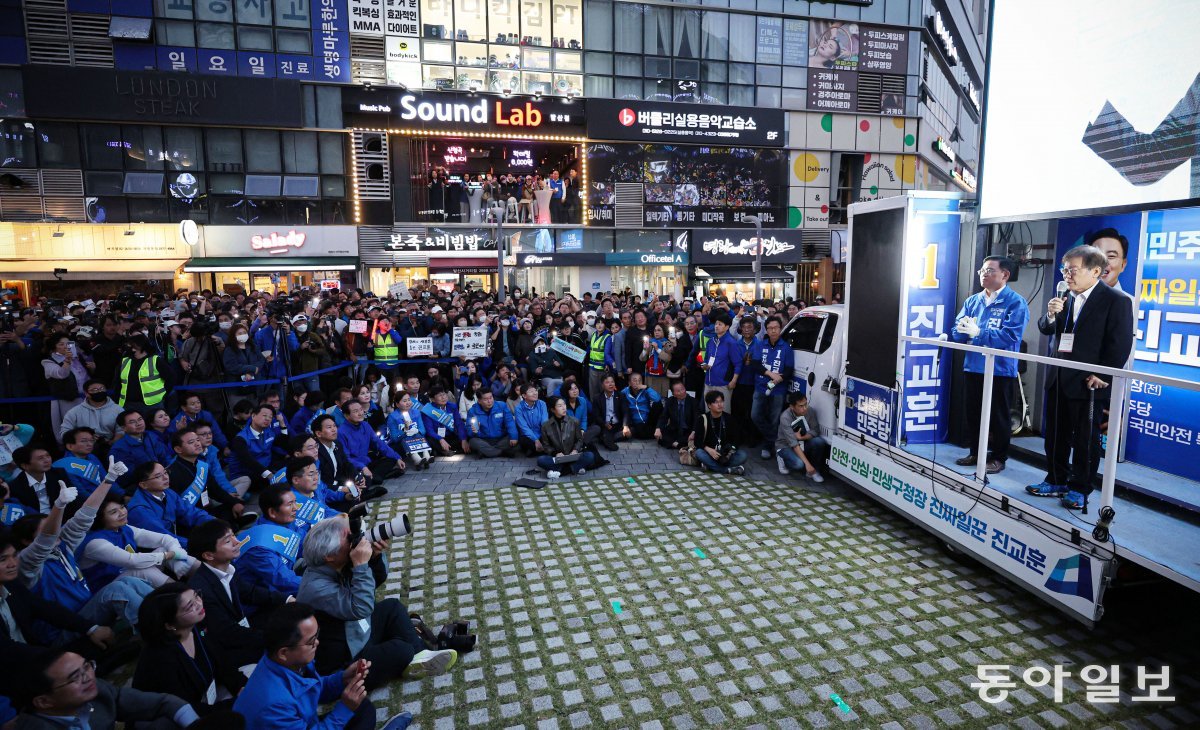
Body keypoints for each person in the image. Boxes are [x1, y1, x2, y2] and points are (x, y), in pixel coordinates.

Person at [1027, 245, 1134, 511]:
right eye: (1065, 269)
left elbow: (1119, 344)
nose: (1067, 275)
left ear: (1096, 271)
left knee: (1086, 439)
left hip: (1089, 381)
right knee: (1055, 433)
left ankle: (1080, 488)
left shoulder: (1116, 301)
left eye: (1073, 269)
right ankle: (1055, 479)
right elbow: (1046, 329)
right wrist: (1051, 313)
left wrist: (1103, 373)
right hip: (1059, 375)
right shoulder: (1065, 297)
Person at [298, 517, 457, 689]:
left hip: (355, 633)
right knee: (402, 650)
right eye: (349, 539)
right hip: (343, 661)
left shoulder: (333, 565)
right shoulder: (316, 588)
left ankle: (422, 655)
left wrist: (374, 557)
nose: (356, 542)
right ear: (329, 556)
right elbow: (362, 607)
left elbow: (375, 580)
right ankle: (411, 656)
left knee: (392, 607)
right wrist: (360, 566)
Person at [233, 603, 409, 730]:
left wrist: (342, 679)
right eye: (310, 641)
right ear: (284, 652)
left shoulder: (284, 663)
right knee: (353, 712)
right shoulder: (273, 705)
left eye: (317, 635)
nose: (317, 643)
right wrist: (345, 707)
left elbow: (312, 689)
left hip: (302, 723)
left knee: (362, 710)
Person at [948, 256, 1030, 474]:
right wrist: (962, 331)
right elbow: (957, 331)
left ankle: (999, 457)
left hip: (1000, 369)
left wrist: (979, 333)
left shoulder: (1015, 302)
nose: (984, 274)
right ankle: (976, 452)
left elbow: (1010, 336)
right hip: (974, 366)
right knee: (973, 412)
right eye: (982, 270)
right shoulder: (973, 301)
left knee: (999, 415)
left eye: (990, 270)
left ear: (1005, 275)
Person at [10, 649, 210, 730]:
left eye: (87, 666)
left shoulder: (98, 691)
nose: (88, 677)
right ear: (44, 702)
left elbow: (164, 702)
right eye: (76, 677)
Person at [0, 533, 116, 663]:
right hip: (15, 668)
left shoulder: (12, 585)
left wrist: (91, 629)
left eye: (14, 556)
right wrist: (52, 660)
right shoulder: (32, 571)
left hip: (36, 655)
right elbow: (7, 649)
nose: (12, 564)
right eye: (3, 559)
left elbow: (45, 609)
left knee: (96, 642)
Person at [132, 583, 243, 715]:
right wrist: (238, 703)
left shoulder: (197, 628)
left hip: (209, 701)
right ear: (169, 625)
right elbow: (183, 708)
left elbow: (222, 663)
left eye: (197, 596)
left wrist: (241, 687)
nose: (199, 604)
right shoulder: (161, 659)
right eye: (190, 606)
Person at [185, 519, 276, 671]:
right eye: (228, 541)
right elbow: (227, 633)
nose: (237, 542)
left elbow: (251, 592)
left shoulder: (227, 569)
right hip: (227, 653)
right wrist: (273, 637)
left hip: (241, 631)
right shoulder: (201, 590)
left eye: (234, 535)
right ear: (208, 555)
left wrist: (288, 599)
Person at [79, 493, 195, 590]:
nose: (122, 512)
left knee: (165, 549)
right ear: (99, 518)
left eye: (122, 507)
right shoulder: (94, 543)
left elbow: (165, 539)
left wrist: (178, 556)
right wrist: (172, 555)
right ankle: (183, 595)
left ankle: (210, 575)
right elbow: (133, 561)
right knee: (143, 570)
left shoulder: (124, 528)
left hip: (130, 576)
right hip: (108, 590)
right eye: (114, 512)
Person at [234, 483, 303, 601]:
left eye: (295, 502)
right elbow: (284, 581)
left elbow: (307, 543)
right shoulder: (259, 547)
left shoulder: (285, 521)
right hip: (263, 602)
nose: (296, 508)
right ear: (272, 512)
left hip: (287, 577)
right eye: (290, 504)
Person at [126, 460, 214, 548]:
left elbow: (189, 512)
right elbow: (162, 537)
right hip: (156, 552)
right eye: (158, 476)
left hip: (174, 543)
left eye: (165, 472)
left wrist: (215, 523)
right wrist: (196, 546)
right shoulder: (139, 509)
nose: (165, 478)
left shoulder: (168, 493)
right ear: (143, 485)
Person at [168, 428, 247, 523]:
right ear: (178, 449)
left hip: (206, 509)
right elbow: (179, 508)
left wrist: (234, 503)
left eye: (197, 440)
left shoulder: (201, 465)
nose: (197, 444)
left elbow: (215, 489)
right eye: (191, 442)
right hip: (191, 518)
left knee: (235, 504)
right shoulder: (172, 472)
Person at [748, 316, 793, 460]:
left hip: (778, 390)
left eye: (776, 328)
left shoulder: (786, 348)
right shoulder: (760, 345)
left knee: (774, 419)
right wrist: (770, 374)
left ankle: (768, 445)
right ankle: (775, 440)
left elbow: (789, 369)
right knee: (755, 416)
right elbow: (755, 364)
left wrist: (779, 377)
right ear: (766, 330)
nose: (773, 331)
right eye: (770, 328)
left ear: (781, 329)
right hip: (760, 387)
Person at [338, 400, 404, 484]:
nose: (360, 413)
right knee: (359, 477)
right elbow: (345, 458)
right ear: (346, 416)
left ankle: (376, 476)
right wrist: (362, 467)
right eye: (355, 411)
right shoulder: (341, 432)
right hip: (354, 466)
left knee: (391, 458)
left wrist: (397, 457)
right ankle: (378, 476)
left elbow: (379, 443)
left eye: (361, 409)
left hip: (367, 461)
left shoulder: (365, 425)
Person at [108, 410, 174, 490]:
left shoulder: (151, 436)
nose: (139, 423)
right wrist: (156, 477)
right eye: (132, 422)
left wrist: (168, 471)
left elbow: (165, 456)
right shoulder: (119, 449)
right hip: (141, 485)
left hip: (163, 476)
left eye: (140, 419)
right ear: (123, 428)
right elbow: (129, 475)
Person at [42, 333, 89, 442]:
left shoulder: (78, 358)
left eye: (68, 343)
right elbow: (61, 374)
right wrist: (67, 361)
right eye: (61, 344)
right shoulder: (48, 362)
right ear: (54, 347)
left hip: (85, 397)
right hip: (67, 400)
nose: (65, 346)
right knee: (71, 427)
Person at [55, 429, 127, 499]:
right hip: (87, 503)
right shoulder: (64, 465)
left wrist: (123, 495)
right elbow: (81, 493)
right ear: (70, 446)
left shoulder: (92, 457)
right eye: (83, 441)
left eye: (91, 440)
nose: (89, 444)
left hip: (105, 496)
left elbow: (106, 479)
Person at [228, 404, 284, 492]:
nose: (268, 419)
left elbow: (283, 442)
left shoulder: (268, 432)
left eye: (270, 417)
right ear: (253, 416)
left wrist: (283, 424)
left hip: (264, 468)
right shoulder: (240, 438)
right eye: (264, 415)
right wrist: (269, 474)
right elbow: (248, 461)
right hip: (246, 474)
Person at [537, 397, 596, 479]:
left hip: (573, 455)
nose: (564, 407)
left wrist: (575, 450)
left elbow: (579, 439)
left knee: (590, 456)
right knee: (541, 460)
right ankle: (574, 468)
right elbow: (546, 445)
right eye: (560, 406)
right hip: (558, 458)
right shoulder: (546, 425)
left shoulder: (574, 421)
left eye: (564, 404)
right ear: (553, 410)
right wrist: (555, 453)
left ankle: (560, 472)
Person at [689, 390, 747, 475]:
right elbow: (697, 441)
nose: (720, 405)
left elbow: (737, 439)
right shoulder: (702, 419)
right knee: (699, 453)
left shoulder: (729, 418)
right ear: (709, 405)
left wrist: (730, 452)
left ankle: (711, 466)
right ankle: (727, 470)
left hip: (725, 454)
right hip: (709, 453)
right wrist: (709, 449)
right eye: (716, 402)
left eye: (721, 401)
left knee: (743, 455)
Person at [775, 392, 827, 481]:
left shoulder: (810, 411)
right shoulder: (785, 417)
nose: (805, 408)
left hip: (803, 442)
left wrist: (802, 438)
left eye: (805, 404)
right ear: (792, 407)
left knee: (819, 441)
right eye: (801, 406)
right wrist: (807, 464)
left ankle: (814, 471)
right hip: (786, 445)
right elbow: (793, 443)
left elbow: (815, 430)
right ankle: (782, 458)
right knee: (799, 464)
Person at [59, 380, 123, 448]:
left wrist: (112, 443)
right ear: (86, 393)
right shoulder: (74, 412)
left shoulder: (118, 410)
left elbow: (122, 430)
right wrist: (85, 437)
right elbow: (65, 432)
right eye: (94, 390)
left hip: (111, 446)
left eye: (102, 388)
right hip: (82, 448)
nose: (99, 391)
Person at [113, 333, 169, 411]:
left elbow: (171, 378)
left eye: (133, 346)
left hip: (153, 405)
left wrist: (163, 395)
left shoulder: (156, 360)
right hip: (127, 404)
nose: (131, 349)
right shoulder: (125, 361)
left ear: (142, 346)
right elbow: (117, 383)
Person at [7, 447, 70, 514]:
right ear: (25, 465)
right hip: (36, 521)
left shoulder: (58, 473)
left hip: (62, 516)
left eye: (48, 455)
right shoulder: (15, 487)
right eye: (40, 458)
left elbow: (74, 499)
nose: (47, 460)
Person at [701, 314, 742, 410]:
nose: (716, 326)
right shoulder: (710, 341)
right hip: (708, 382)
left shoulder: (731, 342)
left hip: (723, 384)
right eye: (716, 324)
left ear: (727, 327)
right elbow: (706, 359)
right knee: (709, 410)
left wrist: (734, 380)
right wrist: (704, 365)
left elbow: (738, 363)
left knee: (723, 411)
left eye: (720, 324)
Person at [384, 393, 434, 470]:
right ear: (397, 404)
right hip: (401, 442)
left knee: (419, 434)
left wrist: (417, 430)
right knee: (406, 437)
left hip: (417, 438)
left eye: (409, 400)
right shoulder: (393, 417)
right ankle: (416, 459)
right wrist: (404, 431)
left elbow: (423, 430)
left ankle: (426, 455)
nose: (408, 403)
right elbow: (394, 438)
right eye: (404, 401)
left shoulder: (416, 412)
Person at [466, 388, 518, 458]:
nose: (489, 401)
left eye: (491, 398)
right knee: (472, 442)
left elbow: (510, 422)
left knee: (516, 436)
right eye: (485, 399)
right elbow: (469, 430)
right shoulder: (472, 411)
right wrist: (474, 432)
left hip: (501, 438)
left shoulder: (502, 406)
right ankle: (503, 452)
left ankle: (486, 452)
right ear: (479, 401)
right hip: (483, 440)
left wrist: (513, 437)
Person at [313, 415, 356, 489]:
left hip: (340, 481)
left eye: (334, 426)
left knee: (364, 480)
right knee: (353, 493)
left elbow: (346, 463)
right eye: (329, 427)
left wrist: (357, 476)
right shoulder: (315, 451)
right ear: (318, 433)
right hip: (327, 487)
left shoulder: (337, 444)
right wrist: (340, 489)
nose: (334, 429)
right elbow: (322, 481)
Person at [588, 375, 629, 451]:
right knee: (605, 434)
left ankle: (606, 438)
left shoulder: (620, 395)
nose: (610, 384)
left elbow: (625, 411)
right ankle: (608, 438)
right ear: (602, 385)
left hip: (618, 424)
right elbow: (596, 415)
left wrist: (625, 426)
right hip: (606, 425)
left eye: (612, 382)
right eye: (607, 382)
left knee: (632, 430)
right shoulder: (597, 398)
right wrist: (604, 424)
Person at [655, 381, 697, 450]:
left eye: (683, 389)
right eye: (678, 391)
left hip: (687, 430)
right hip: (674, 429)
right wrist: (658, 428)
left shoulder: (693, 401)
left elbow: (696, 419)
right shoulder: (670, 401)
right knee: (661, 435)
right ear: (674, 394)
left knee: (693, 438)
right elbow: (664, 416)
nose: (682, 392)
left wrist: (693, 432)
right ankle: (678, 445)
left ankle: (675, 443)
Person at [620, 372, 662, 440]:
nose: (637, 382)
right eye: (635, 380)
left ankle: (656, 430)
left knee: (658, 404)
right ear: (629, 383)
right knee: (641, 432)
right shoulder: (625, 392)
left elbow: (657, 399)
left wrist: (647, 388)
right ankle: (654, 433)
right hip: (636, 422)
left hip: (648, 419)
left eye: (640, 380)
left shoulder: (645, 390)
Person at [513, 384, 549, 456]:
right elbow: (524, 427)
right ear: (524, 395)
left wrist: (544, 437)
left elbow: (544, 422)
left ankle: (536, 451)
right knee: (525, 441)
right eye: (531, 391)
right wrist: (536, 440)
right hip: (527, 436)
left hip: (541, 433)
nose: (535, 393)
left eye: (535, 390)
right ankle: (540, 450)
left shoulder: (542, 404)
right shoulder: (518, 408)